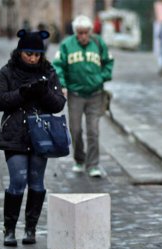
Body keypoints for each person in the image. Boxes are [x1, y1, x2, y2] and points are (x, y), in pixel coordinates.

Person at [0, 29, 66, 246]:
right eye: (29, 53)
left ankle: (31, 229)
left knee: (37, 182)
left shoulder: (48, 72)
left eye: (37, 54)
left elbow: (59, 103)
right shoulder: (8, 71)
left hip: (41, 135)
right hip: (15, 134)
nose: (33, 58)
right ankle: (10, 229)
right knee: (17, 180)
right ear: (20, 51)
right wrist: (22, 93)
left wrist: (43, 92)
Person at [53, 15, 114, 177]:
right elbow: (58, 66)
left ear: (90, 31)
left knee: (93, 130)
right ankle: (79, 159)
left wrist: (101, 78)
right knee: (75, 129)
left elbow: (109, 62)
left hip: (95, 94)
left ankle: (93, 164)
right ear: (75, 33)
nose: (83, 36)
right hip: (75, 94)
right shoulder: (67, 45)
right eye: (80, 33)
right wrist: (63, 85)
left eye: (86, 32)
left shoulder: (98, 43)